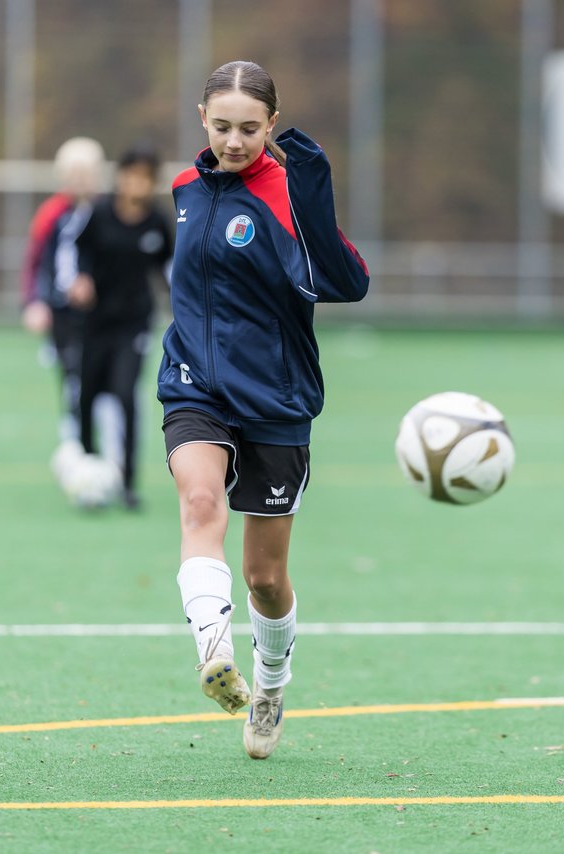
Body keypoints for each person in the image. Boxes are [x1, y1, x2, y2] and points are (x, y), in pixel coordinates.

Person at [163, 60, 369, 759]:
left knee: (265, 577)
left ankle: (271, 685)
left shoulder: (285, 191)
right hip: (194, 384)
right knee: (199, 504)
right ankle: (214, 652)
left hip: (275, 397)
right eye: (222, 126)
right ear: (202, 118)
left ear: (272, 125)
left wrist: (312, 196)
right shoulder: (184, 189)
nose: (234, 141)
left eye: (250, 129)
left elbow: (347, 282)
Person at [70, 144, 174, 510]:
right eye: (131, 175)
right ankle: (87, 466)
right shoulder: (100, 213)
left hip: (134, 323)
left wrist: (182, 305)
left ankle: (128, 481)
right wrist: (82, 278)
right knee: (87, 395)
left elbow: (169, 268)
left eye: (144, 178)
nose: (136, 183)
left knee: (125, 394)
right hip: (96, 321)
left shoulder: (157, 221)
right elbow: (79, 250)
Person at [21, 137, 104, 445]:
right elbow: (36, 262)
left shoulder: (106, 211)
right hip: (62, 309)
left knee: (101, 373)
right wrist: (34, 301)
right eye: (73, 173)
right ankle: (75, 434)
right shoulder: (51, 214)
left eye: (85, 173)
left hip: (101, 310)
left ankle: (103, 434)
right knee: (71, 372)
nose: (79, 180)